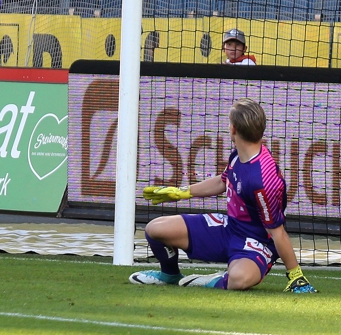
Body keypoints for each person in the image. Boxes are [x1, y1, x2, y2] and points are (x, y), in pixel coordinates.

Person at [129, 98, 317, 293]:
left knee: (239, 279)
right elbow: (222, 181)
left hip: (256, 243)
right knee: (155, 229)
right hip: (229, 228)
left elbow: (277, 232)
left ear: (233, 129)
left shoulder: (262, 179)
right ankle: (169, 275)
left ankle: (213, 280)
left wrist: (295, 275)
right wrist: (182, 192)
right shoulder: (238, 155)